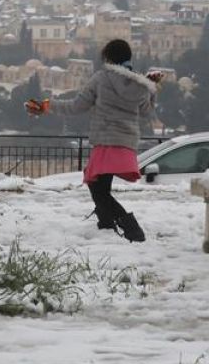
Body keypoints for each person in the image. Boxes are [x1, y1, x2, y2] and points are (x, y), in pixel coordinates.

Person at [26, 39, 157, 242]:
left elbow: (77, 106)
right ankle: (106, 225)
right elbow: (146, 111)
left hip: (106, 140)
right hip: (126, 143)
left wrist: (47, 106)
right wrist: (152, 88)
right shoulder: (139, 84)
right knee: (100, 186)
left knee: (97, 186)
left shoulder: (101, 78)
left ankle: (131, 228)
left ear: (108, 57)